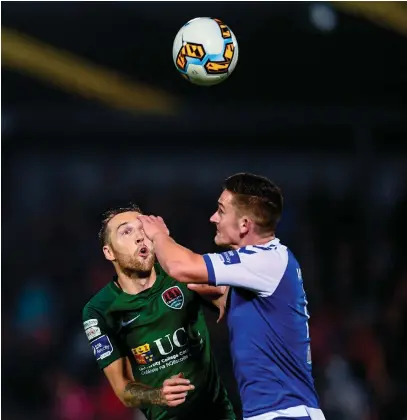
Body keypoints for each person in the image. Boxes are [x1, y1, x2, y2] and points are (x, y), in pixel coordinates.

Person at [138, 172, 326, 420]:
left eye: (221, 211)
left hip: (286, 414)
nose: (213, 218)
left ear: (245, 225)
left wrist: (159, 235)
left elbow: (180, 266)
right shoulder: (260, 269)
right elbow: (209, 289)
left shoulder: (267, 259)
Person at [82, 205, 235, 420]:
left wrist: (224, 298)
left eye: (142, 229)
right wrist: (158, 395)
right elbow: (123, 390)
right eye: (126, 232)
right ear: (109, 252)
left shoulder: (179, 272)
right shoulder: (99, 310)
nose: (139, 237)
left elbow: (229, 299)